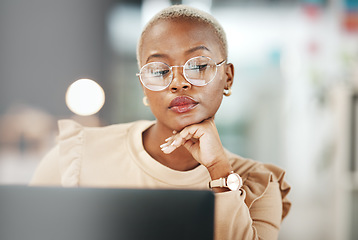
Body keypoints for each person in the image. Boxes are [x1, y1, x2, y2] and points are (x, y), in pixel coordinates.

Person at [30, 5, 291, 240]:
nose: (179, 83)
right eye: (159, 71)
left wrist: (219, 170)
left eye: (199, 66)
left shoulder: (258, 183)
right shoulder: (77, 155)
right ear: (144, 86)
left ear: (228, 78)